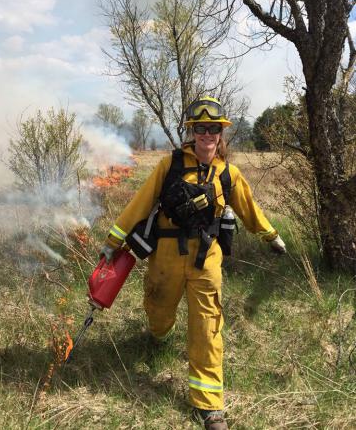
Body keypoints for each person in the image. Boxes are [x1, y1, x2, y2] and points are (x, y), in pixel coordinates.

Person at [101, 97, 286, 430]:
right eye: (200, 128)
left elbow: (249, 209)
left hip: (206, 259)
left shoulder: (228, 173)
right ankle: (158, 337)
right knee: (158, 312)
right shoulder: (169, 166)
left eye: (213, 128)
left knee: (207, 326)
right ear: (192, 131)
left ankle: (210, 406)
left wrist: (271, 236)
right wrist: (113, 241)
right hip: (165, 258)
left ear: (221, 133)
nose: (207, 134)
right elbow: (140, 203)